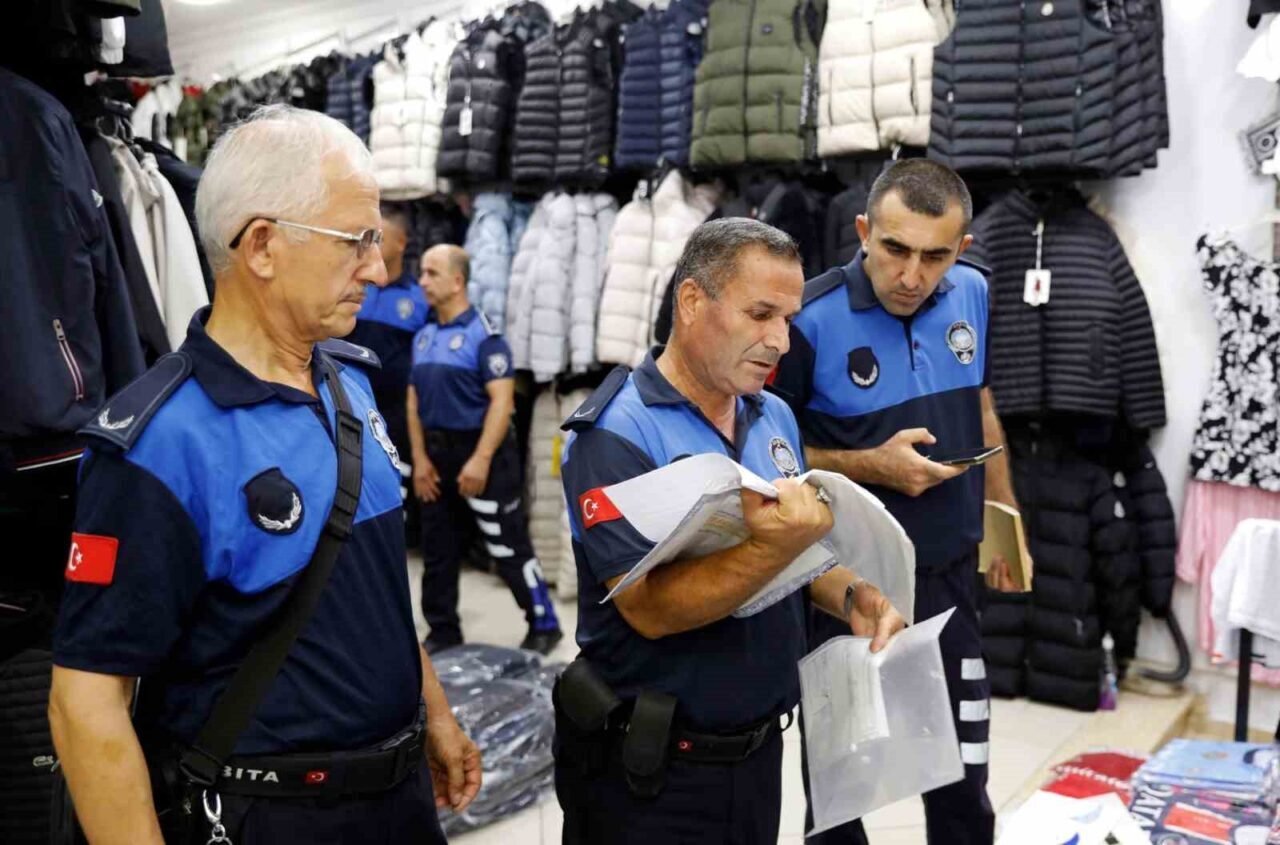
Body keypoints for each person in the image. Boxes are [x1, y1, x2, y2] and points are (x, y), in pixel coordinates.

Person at [47, 106, 480, 845]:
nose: (378, 269)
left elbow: (365, 585)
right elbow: (86, 703)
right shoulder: (161, 443)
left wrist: (433, 713)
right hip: (267, 817)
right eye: (356, 241)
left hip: (399, 801)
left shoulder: (351, 386)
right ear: (263, 246)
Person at [555, 218, 907, 844]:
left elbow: (798, 558)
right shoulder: (616, 433)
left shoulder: (773, 415)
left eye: (788, 319)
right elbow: (649, 609)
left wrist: (854, 594)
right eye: (760, 314)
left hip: (756, 756)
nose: (781, 341)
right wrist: (774, 543)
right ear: (692, 301)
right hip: (649, 772)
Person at [771, 158, 1029, 845]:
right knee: (841, 790)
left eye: (935, 256)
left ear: (961, 248)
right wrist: (871, 465)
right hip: (847, 590)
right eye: (895, 250)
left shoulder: (973, 291)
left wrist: (1004, 517)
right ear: (863, 231)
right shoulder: (808, 318)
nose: (913, 276)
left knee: (964, 778)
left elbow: (982, 405)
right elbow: (768, 457)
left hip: (950, 576)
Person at [407, 244, 562, 655]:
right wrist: (420, 459)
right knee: (438, 550)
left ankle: (544, 624)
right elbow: (413, 401)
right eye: (422, 272)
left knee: (507, 546)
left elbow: (502, 402)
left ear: (457, 281)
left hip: (483, 454)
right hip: (435, 457)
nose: (422, 281)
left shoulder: (484, 335)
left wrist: (480, 460)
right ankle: (443, 631)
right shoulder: (423, 335)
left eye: (432, 273)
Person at [343, 203, 431, 539]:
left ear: (402, 243)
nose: (373, 244)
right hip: (351, 404)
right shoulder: (354, 289)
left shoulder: (419, 299)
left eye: (381, 237)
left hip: (398, 414)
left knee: (395, 490)